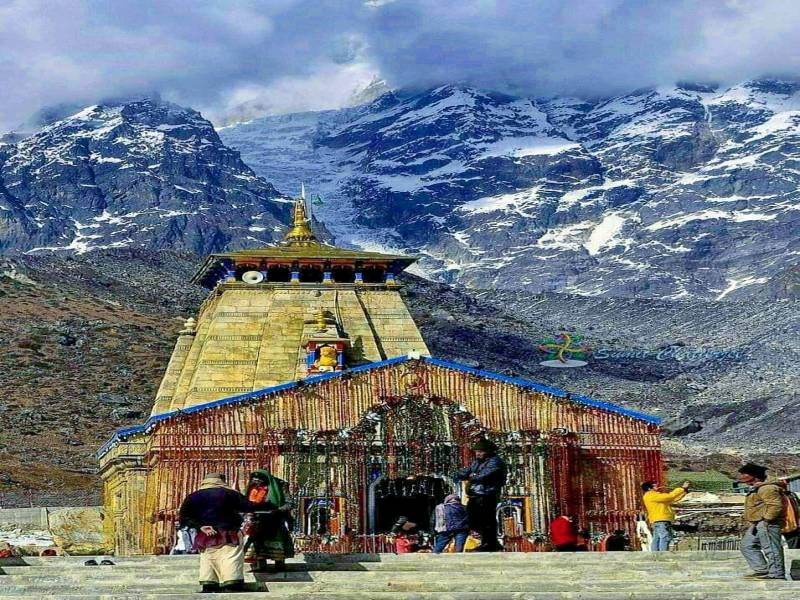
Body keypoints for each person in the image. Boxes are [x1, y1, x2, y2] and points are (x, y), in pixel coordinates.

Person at [178, 473, 256, 593]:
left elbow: (184, 517)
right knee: (230, 557)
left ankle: (209, 584)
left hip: (205, 535)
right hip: (228, 532)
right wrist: (272, 506)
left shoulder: (193, 496)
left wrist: (201, 526)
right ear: (220, 481)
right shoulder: (230, 493)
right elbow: (248, 507)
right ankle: (231, 584)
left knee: (208, 559)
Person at [454, 438, 507, 552]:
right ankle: (489, 542)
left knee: (486, 520)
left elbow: (483, 475)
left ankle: (489, 543)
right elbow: (465, 472)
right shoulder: (477, 462)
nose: (478, 453)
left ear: (488, 451)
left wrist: (472, 476)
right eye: (477, 451)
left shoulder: (495, 461)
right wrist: (465, 474)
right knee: (473, 519)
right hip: (476, 495)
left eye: (481, 451)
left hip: (486, 494)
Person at [738, 463, 786, 580]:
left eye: (745, 474)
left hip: (767, 523)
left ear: (754, 476)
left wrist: (767, 519)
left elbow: (775, 506)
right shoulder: (758, 487)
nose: (742, 477)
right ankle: (762, 569)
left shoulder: (767, 488)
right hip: (757, 522)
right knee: (747, 545)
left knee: (771, 548)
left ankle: (776, 574)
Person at [242, 469, 295, 572]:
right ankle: (260, 565)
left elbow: (289, 504)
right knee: (257, 544)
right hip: (257, 522)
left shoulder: (280, 486)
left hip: (275, 521)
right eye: (254, 480)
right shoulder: (252, 489)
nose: (256, 482)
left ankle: (279, 565)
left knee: (277, 543)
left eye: (258, 480)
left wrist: (277, 510)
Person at [641, 480, 689, 551]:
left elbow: (673, 499)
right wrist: (682, 488)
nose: (656, 486)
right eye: (654, 485)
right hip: (661, 519)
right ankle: (663, 554)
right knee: (665, 537)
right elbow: (670, 496)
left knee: (657, 538)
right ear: (649, 488)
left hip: (658, 520)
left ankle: (655, 555)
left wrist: (684, 491)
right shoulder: (652, 495)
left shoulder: (654, 496)